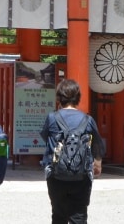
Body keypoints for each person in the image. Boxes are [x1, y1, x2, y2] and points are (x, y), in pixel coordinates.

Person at [40, 79, 105, 224]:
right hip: (82, 175)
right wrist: (98, 164)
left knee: (58, 214)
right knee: (79, 215)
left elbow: (45, 137)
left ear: (59, 98)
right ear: (78, 98)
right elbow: (98, 145)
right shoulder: (88, 120)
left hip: (56, 174)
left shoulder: (52, 118)